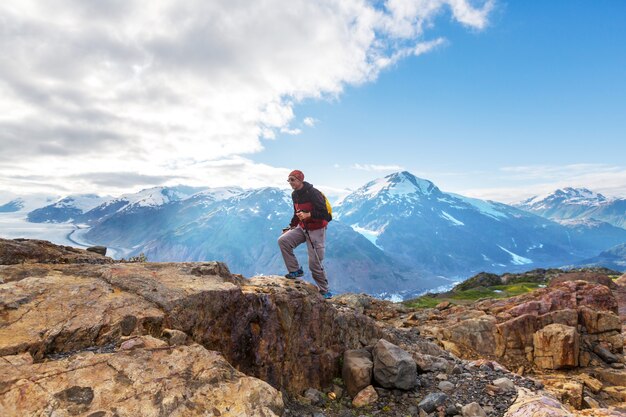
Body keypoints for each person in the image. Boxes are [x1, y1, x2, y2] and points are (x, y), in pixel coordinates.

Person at [278, 169, 333, 299]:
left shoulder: (313, 193)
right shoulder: (294, 195)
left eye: (293, 180)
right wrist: (291, 226)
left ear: (300, 180)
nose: (290, 182)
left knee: (315, 263)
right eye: (289, 180)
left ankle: (324, 291)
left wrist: (309, 215)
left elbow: (326, 215)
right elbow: (296, 213)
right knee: (283, 241)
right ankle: (295, 270)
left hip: (317, 230)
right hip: (302, 228)